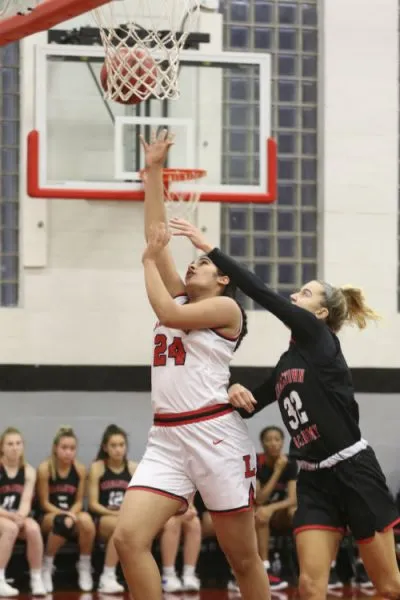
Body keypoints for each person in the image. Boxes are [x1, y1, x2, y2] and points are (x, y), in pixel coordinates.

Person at [170, 217, 400, 600]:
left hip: (353, 471)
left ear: (322, 313)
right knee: (309, 587)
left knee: (390, 587)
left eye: (305, 293)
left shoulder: (319, 338)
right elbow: (247, 407)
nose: (295, 295)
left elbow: (264, 294)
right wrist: (232, 390)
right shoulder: (287, 362)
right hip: (313, 479)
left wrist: (210, 248)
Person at [113, 130, 270, 600]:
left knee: (241, 557)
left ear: (223, 279)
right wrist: (154, 171)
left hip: (215, 435)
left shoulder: (227, 311)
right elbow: (157, 240)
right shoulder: (182, 292)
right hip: (166, 436)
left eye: (201, 264)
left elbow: (169, 314)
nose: (191, 267)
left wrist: (146, 264)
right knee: (127, 539)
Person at [37, 426, 95, 593]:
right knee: (62, 522)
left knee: (87, 522)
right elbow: (44, 503)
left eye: (72, 448)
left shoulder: (80, 469)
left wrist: (72, 514)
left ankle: (84, 565)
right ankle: (47, 566)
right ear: (56, 448)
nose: (68, 452)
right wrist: (64, 515)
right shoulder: (45, 468)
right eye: (64, 448)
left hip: (72, 514)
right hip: (49, 515)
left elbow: (78, 501)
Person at [88, 424, 137, 594]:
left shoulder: (133, 468)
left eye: (121, 445)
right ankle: (107, 577)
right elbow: (93, 504)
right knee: (119, 527)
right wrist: (115, 513)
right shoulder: (98, 468)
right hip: (103, 518)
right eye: (113, 445)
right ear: (105, 447)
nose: (118, 449)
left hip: (125, 518)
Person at [0, 427, 46, 597]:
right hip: (3, 515)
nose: (14, 447)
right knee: (10, 529)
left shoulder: (28, 470)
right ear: (2, 447)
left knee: (33, 528)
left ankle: (36, 577)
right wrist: (12, 517)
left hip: (16, 515)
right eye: (10, 444)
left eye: (18, 443)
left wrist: (20, 516)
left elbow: (26, 500)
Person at [255, 426, 297, 590]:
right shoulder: (257, 462)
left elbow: (293, 499)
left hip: (277, 513)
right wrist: (277, 472)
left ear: (282, 443)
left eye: (277, 439)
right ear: (262, 443)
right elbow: (260, 498)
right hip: (258, 513)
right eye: (268, 440)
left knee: (295, 512)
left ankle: (301, 565)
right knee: (261, 514)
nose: (273, 443)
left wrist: (272, 508)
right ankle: (265, 567)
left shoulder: (290, 463)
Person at [160, 504, 201, 592]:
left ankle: (189, 574)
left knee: (194, 522)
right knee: (172, 522)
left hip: (180, 508)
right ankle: (168, 575)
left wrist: (190, 508)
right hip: (160, 511)